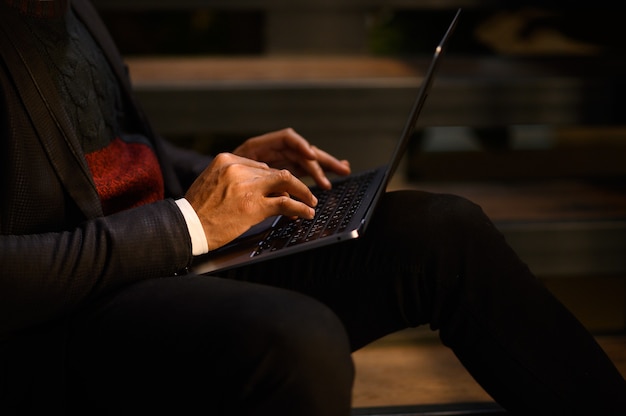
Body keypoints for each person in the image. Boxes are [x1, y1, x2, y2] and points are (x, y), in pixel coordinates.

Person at [1, 1, 625, 415]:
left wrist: (230, 174)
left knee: (441, 229)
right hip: (62, 314)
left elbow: (118, 147)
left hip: (158, 249)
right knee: (297, 340)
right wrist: (188, 221)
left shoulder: (70, 9)